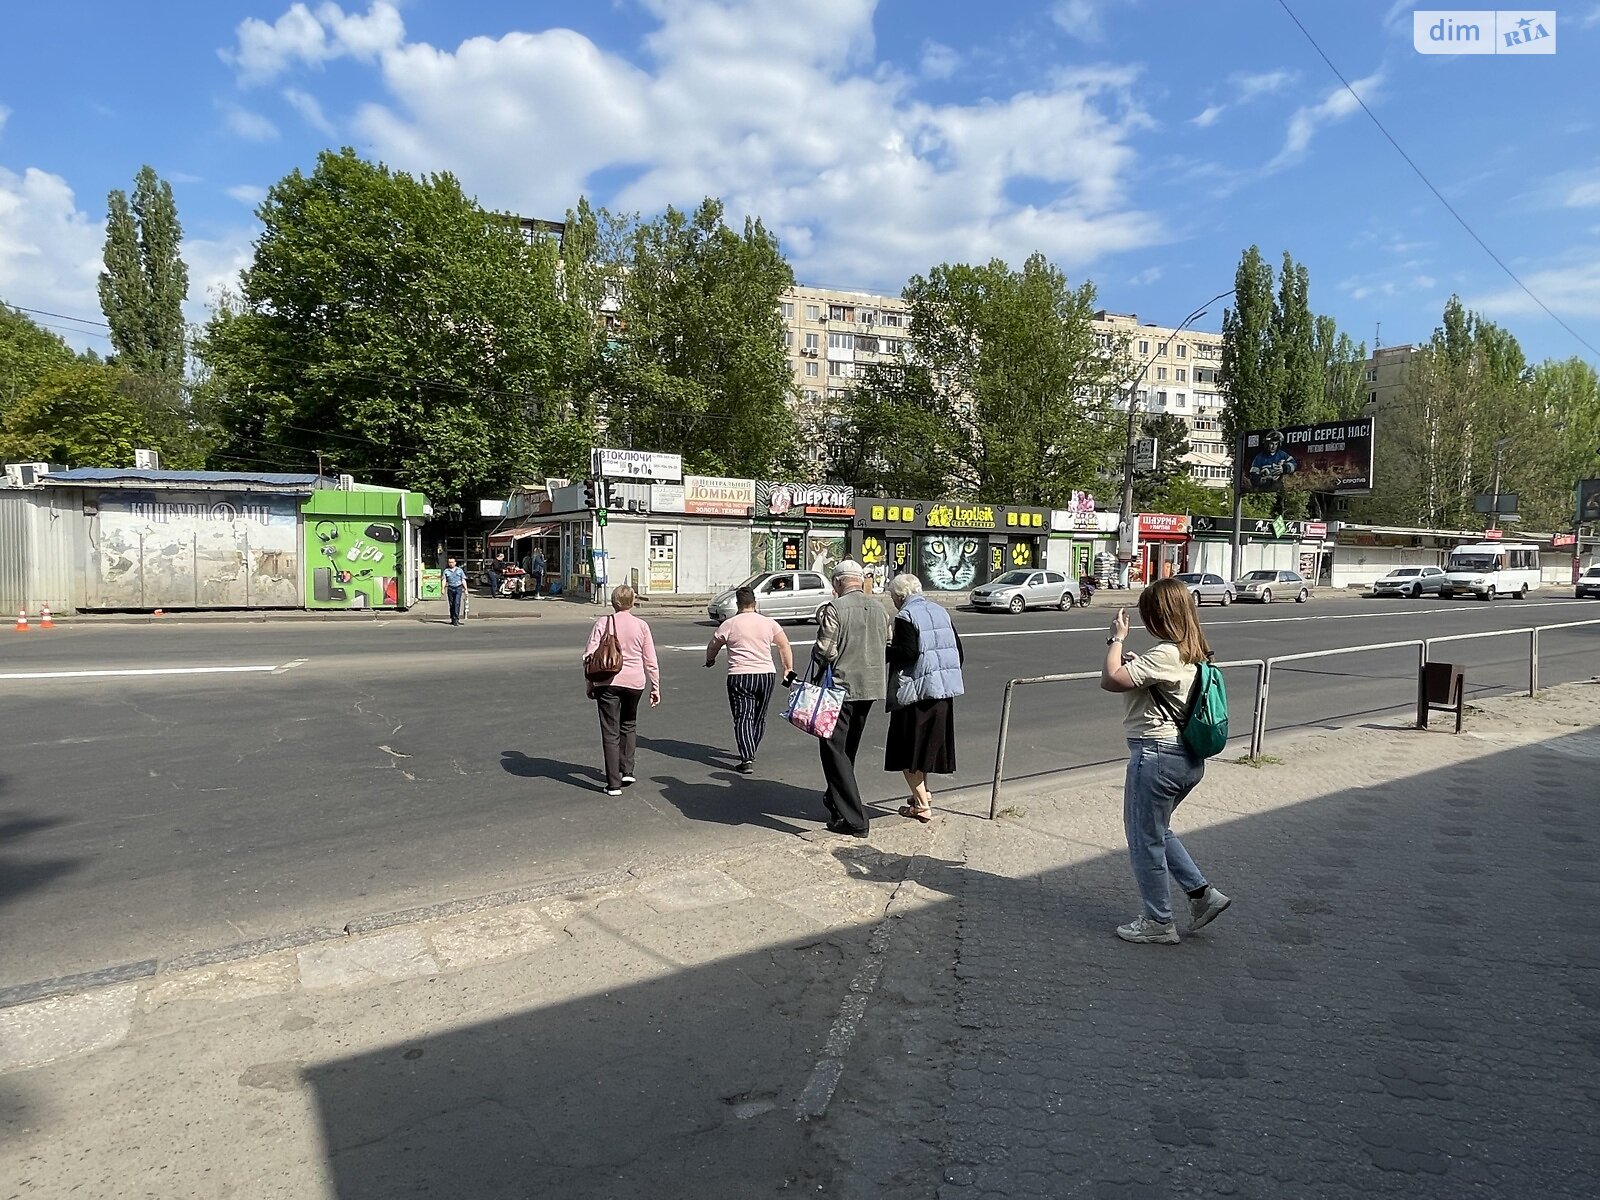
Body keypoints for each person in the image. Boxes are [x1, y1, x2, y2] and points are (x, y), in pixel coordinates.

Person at [1099, 576, 1230, 944]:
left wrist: (1116, 639)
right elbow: (1163, 683)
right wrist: (1140, 663)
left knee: (1143, 840)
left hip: (1157, 755)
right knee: (1158, 830)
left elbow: (1110, 679)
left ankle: (1159, 922)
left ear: (1160, 616)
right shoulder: (1193, 651)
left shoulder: (1167, 653)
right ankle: (1203, 895)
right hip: (1186, 758)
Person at [810, 559, 889, 837]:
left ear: (840, 582)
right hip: (870, 688)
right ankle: (835, 801)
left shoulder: (836, 608)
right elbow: (886, 642)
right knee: (847, 749)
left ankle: (856, 819)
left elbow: (825, 650)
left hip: (841, 688)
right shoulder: (880, 608)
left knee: (832, 749)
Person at [884, 574, 964, 823]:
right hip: (943, 693)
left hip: (916, 694)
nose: (894, 602)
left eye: (893, 597)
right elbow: (958, 653)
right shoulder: (941, 611)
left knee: (907, 753)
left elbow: (908, 652)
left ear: (900, 596)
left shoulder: (905, 616)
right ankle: (924, 794)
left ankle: (921, 806)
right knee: (925, 751)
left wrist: (884, 649)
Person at [705, 586, 796, 774]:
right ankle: (751, 747)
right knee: (759, 716)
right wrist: (788, 669)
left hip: (739, 675)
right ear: (755, 603)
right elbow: (784, 645)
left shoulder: (729, 624)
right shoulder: (769, 623)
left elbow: (713, 645)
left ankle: (747, 758)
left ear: (738, 604)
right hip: (766, 675)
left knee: (743, 717)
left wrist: (710, 660)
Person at [583, 585, 661, 796]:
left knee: (610, 732)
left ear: (613, 602)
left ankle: (613, 784)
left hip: (607, 683)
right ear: (633, 602)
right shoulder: (642, 626)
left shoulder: (603, 622)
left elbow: (589, 656)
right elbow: (650, 660)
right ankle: (627, 770)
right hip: (635, 683)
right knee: (629, 724)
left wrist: (590, 684)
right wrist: (655, 686)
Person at [443, 557, 467, 626]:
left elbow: (463, 580)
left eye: (452, 562)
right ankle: (452, 619)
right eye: (449, 562)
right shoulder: (446, 571)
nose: (451, 564)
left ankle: (456, 619)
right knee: (451, 604)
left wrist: (466, 589)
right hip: (450, 588)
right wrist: (443, 588)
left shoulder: (459, 570)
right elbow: (444, 580)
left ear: (455, 563)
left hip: (458, 588)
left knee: (457, 603)